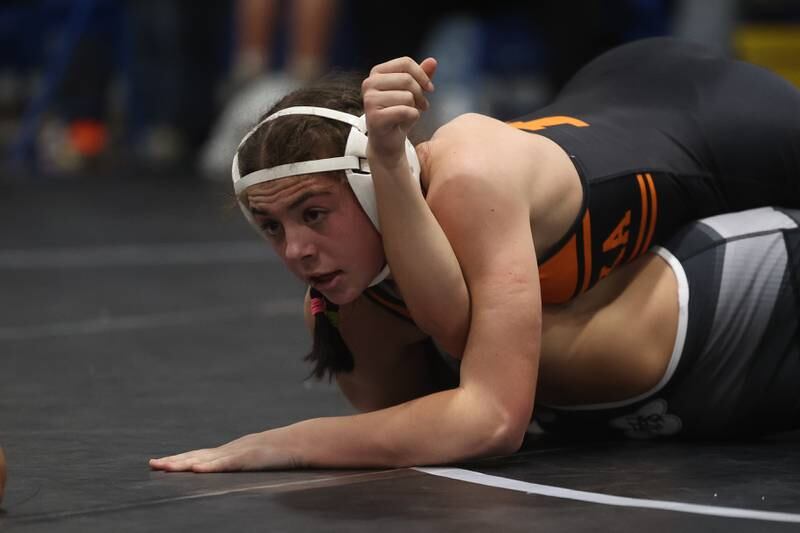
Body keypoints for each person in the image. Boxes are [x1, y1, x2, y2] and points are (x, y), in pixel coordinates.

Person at [149, 37, 800, 471]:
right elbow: (415, 394)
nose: (295, 249)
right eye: (271, 226)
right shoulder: (345, 300)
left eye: (314, 214)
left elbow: (490, 420)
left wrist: (279, 442)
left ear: (377, 181)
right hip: (610, 107)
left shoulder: (469, 180)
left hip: (716, 117)